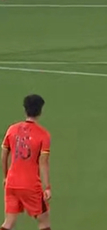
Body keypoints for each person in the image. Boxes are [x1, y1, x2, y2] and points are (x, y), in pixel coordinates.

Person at [1, 95, 51, 230]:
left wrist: (5, 176)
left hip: (11, 183)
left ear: (25, 109)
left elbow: (4, 155)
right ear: (40, 111)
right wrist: (47, 187)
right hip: (30, 185)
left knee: (9, 222)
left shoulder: (12, 129)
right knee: (44, 220)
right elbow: (43, 163)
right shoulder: (43, 135)